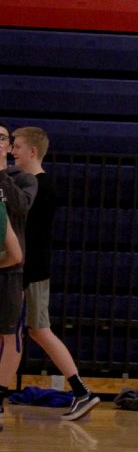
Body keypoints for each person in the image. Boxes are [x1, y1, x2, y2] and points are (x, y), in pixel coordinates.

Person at [11, 126, 100, 421]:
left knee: (29, 332)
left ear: (33, 151)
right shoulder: (33, 184)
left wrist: (20, 276)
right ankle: (80, 391)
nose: (13, 151)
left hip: (29, 271)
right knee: (34, 331)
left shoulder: (39, 187)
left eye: (17, 146)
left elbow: (31, 238)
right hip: (30, 270)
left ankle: (80, 390)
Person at [0, 121, 38, 402]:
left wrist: (1, 174)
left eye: (1, 138)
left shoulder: (23, 178)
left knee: (8, 333)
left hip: (10, 270)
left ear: (9, 146)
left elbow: (21, 207)